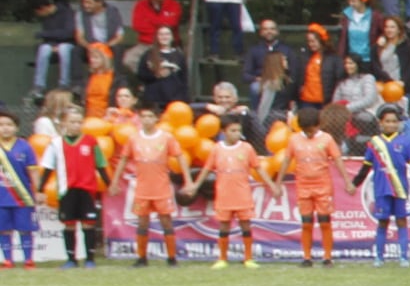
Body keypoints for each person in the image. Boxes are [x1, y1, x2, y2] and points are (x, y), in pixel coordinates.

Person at [200, 112, 269, 268]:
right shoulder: (217, 149)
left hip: (242, 194)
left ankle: (248, 258)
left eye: (238, 130)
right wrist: (194, 185)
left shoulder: (247, 148)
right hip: (224, 195)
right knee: (224, 226)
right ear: (223, 132)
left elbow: (258, 168)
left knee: (245, 224)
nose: (237, 134)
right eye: (233, 131)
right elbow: (207, 169)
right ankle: (222, 258)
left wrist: (271, 184)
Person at [352, 103, 410, 265]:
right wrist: (354, 184)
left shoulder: (405, 142)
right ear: (381, 123)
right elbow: (365, 168)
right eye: (387, 121)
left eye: (394, 121)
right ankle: (379, 257)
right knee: (383, 221)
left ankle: (403, 257)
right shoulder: (374, 143)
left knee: (402, 220)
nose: (391, 124)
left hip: (400, 189)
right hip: (382, 190)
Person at [123, 117, 190, 266]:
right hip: (142, 190)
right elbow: (123, 159)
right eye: (144, 116)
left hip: (161, 189)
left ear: (156, 118)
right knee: (142, 222)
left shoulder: (166, 138)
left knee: (166, 221)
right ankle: (141, 258)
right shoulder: (134, 138)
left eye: (150, 116)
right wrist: (114, 181)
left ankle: (172, 258)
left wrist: (188, 180)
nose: (147, 119)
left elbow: (180, 157)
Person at [285, 103, 342, 265]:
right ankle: (307, 257)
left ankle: (327, 256)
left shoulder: (326, 139)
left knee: (325, 221)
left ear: (319, 125)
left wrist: (347, 181)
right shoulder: (294, 140)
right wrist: (277, 181)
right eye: (306, 130)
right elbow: (287, 160)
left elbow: (337, 159)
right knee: (306, 223)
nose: (309, 133)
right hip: (303, 187)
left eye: (312, 129)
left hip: (323, 186)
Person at [54, 120, 109, 267]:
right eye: (72, 121)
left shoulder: (90, 141)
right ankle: (71, 259)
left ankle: (90, 259)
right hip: (67, 190)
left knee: (88, 224)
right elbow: (48, 166)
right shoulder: (57, 143)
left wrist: (109, 183)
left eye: (78, 122)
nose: (75, 125)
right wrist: (40, 188)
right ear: (64, 124)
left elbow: (101, 164)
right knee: (69, 224)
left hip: (87, 189)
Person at [0, 111, 35, 267]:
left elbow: (33, 171)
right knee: (4, 229)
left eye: (9, 125)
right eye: (1, 125)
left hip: (23, 196)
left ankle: (28, 260)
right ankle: (8, 260)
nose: (5, 128)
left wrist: (38, 191)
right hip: (1, 197)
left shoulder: (25, 146)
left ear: (16, 128)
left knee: (25, 229)